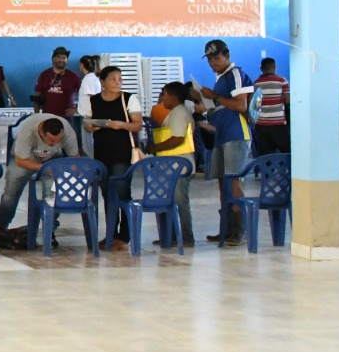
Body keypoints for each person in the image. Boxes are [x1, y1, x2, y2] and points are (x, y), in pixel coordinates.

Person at [199, 40, 254, 245]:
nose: (213, 62)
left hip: (236, 134)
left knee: (233, 182)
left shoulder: (235, 75)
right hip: (222, 135)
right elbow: (222, 106)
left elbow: (240, 105)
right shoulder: (221, 78)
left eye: (217, 58)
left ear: (227, 55)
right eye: (210, 59)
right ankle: (226, 230)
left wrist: (214, 96)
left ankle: (239, 231)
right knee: (223, 185)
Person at [85, 65, 143, 251]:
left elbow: (137, 125)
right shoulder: (93, 101)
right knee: (107, 194)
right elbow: (87, 124)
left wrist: (121, 125)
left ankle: (124, 236)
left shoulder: (129, 99)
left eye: (120, 78)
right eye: (113, 79)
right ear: (102, 82)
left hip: (122, 153)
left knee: (123, 193)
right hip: (102, 153)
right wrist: (91, 127)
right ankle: (111, 233)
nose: (118, 82)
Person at [0, 114, 78, 235]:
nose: (54, 143)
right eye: (51, 141)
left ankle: (50, 231)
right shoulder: (28, 132)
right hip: (25, 157)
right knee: (12, 188)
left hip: (53, 158)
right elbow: (20, 160)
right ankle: (2, 225)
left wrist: (71, 174)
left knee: (52, 193)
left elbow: (75, 158)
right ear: (41, 132)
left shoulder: (68, 132)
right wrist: (44, 168)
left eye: (58, 141)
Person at [150, 82, 196, 246]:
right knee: (172, 202)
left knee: (180, 203)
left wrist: (156, 147)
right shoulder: (176, 112)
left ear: (173, 97)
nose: (162, 98)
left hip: (179, 167)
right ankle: (171, 235)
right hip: (173, 166)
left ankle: (186, 238)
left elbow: (177, 138)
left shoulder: (178, 113)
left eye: (164, 94)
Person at [252, 58, 291, 156]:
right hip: (279, 124)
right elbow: (288, 100)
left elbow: (254, 105)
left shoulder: (256, 83)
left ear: (261, 68)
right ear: (275, 68)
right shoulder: (282, 81)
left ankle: (267, 171)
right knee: (286, 153)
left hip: (261, 126)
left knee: (266, 155)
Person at [33, 47, 81, 118]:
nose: (61, 60)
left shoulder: (74, 76)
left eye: (64, 57)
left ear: (67, 60)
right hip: (47, 117)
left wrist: (77, 108)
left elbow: (85, 95)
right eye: (58, 57)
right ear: (53, 59)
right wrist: (36, 115)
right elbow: (37, 95)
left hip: (66, 118)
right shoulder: (44, 75)